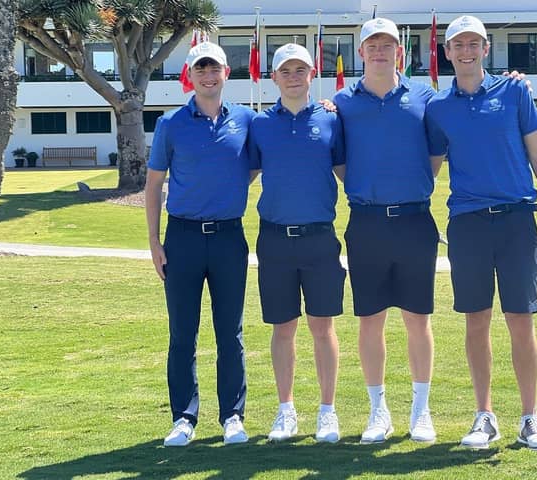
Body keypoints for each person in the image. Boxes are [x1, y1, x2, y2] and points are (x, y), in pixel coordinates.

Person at [425, 15, 537, 451]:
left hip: (516, 219)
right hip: (467, 223)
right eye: (458, 44)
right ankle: (484, 416)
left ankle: (530, 418)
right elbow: (427, 171)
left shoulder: (515, 91)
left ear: (485, 49)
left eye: (474, 43)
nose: (466, 51)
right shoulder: (437, 108)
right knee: (476, 323)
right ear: (446, 52)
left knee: (521, 322)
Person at [333, 18, 439, 444]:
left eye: (388, 44)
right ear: (361, 52)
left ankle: (421, 410)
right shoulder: (341, 102)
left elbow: (434, 157)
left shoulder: (424, 97)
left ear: (400, 50)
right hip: (367, 222)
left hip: (415, 220)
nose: (380, 51)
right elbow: (340, 164)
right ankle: (379, 411)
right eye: (372, 45)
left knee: (418, 318)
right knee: (370, 320)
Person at [145, 41, 256, 447]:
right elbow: (154, 184)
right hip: (183, 238)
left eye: (216, 69)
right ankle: (183, 418)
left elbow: (256, 164)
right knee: (183, 334)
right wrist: (155, 241)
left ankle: (232, 416)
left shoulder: (246, 119)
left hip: (229, 238)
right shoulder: (171, 124)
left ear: (227, 73)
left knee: (231, 333)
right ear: (189, 76)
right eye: (201, 69)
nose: (209, 75)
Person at [248, 43, 347, 443]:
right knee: (283, 328)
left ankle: (327, 411)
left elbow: (346, 171)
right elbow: (242, 173)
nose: (293, 76)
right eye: (285, 71)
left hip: (320, 238)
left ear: (312, 74)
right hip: (274, 240)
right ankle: (286, 410)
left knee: (323, 328)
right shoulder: (259, 125)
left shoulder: (331, 121)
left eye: (300, 70)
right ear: (274, 78)